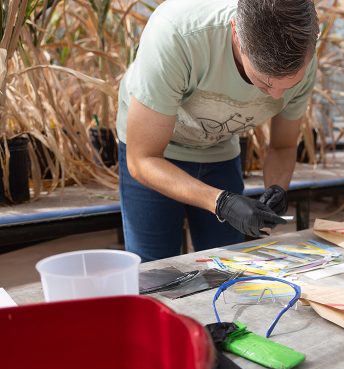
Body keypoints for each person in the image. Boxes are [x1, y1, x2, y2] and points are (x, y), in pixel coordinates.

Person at [116, 0, 319, 262]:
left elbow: (283, 146)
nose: (278, 95)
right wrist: (222, 202)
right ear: (236, 34)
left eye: (291, 84)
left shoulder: (304, 52)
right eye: (263, 82)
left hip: (219, 148)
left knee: (228, 265)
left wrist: (277, 188)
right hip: (156, 155)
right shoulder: (177, 34)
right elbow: (142, 159)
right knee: (154, 269)